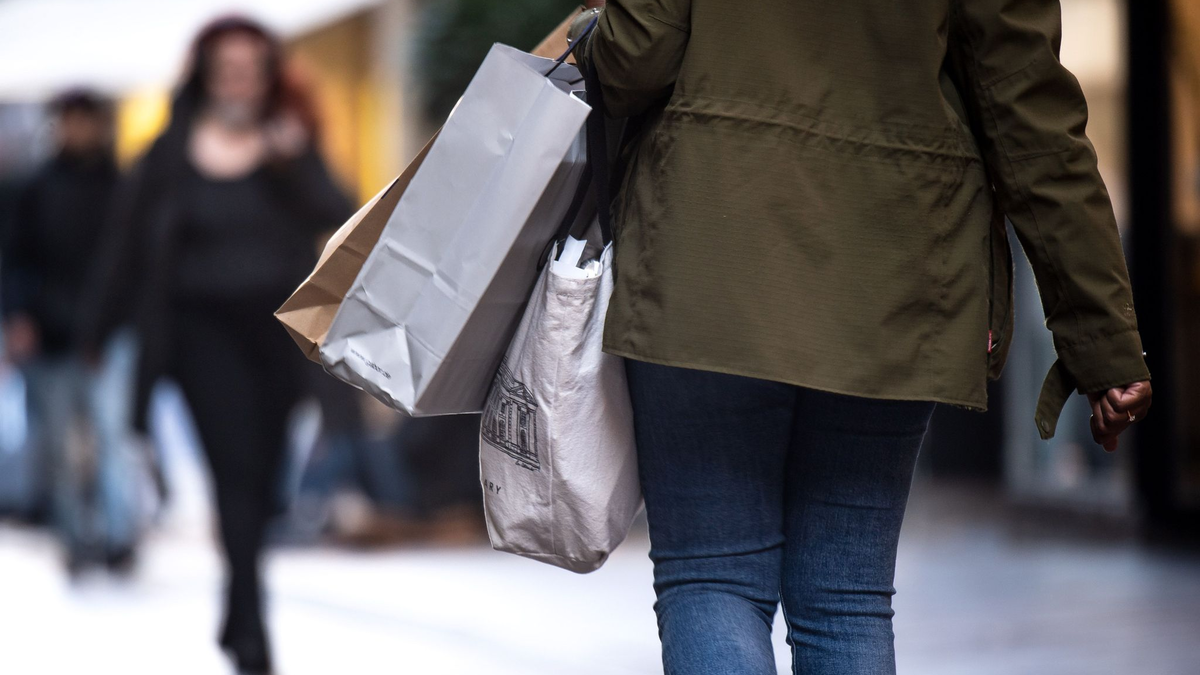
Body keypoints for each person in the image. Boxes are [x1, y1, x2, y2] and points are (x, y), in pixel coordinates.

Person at [569, 1, 1154, 674]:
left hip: (711, 243)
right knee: (846, 599)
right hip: (897, 257)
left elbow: (634, 56)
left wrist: (592, 33)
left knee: (713, 577)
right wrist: (1101, 334)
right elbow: (1030, 113)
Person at [88, 16, 351, 675]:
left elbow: (342, 215)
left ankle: (237, 607)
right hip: (199, 337)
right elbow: (124, 246)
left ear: (267, 74)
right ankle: (252, 621)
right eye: (226, 65)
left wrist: (292, 158)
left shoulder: (287, 145)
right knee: (233, 471)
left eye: (250, 66)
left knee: (264, 485)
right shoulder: (169, 152)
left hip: (281, 339)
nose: (238, 77)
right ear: (205, 72)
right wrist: (97, 328)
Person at [1, 90, 140, 576]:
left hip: (112, 332)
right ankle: (75, 537)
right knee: (58, 446)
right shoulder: (33, 187)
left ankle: (121, 536)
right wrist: (18, 316)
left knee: (113, 439)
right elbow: (14, 259)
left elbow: (134, 265)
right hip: (50, 332)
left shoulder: (123, 188)